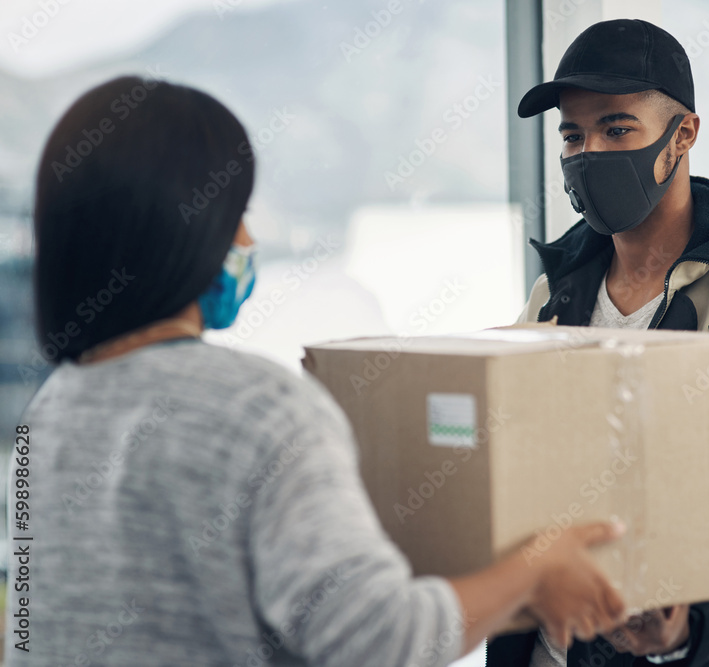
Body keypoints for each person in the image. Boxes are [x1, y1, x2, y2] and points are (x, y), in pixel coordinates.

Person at [8, 76, 630, 666]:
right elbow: (377, 639)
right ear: (181, 228)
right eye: (235, 212)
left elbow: (35, 628)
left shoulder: (50, 413)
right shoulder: (257, 407)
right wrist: (533, 572)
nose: (248, 237)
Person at [486, 19, 709, 667]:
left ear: (683, 135)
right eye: (572, 133)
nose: (588, 151)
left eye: (617, 128)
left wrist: (688, 628)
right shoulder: (555, 296)